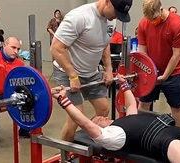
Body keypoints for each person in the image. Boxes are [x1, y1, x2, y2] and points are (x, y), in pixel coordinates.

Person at [51, 75, 180, 163]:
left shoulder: (125, 120)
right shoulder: (110, 136)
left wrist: (125, 84)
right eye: (98, 119)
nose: (99, 117)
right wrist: (64, 100)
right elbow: (84, 122)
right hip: (167, 142)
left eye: (99, 116)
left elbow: (131, 104)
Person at [50, 0, 133, 143]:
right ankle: (65, 156)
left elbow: (104, 44)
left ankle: (90, 147)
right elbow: (56, 48)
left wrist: (108, 69)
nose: (116, 17)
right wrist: (73, 76)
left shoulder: (110, 19)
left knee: (103, 109)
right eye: (116, 12)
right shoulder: (79, 17)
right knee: (75, 117)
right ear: (107, 2)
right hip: (68, 71)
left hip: (90, 72)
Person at [137, 0, 180, 127]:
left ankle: (177, 136)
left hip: (174, 72)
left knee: (176, 108)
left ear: (161, 9)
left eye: (154, 18)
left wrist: (165, 76)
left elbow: (176, 55)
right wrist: (147, 73)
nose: (152, 22)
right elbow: (142, 52)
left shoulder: (178, 25)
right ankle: (141, 132)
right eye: (149, 19)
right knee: (143, 104)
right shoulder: (144, 23)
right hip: (151, 71)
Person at [0, 37, 24, 152]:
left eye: (18, 49)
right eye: (13, 47)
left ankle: (25, 130)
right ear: (4, 45)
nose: (16, 51)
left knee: (28, 100)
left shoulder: (19, 64)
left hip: (10, 94)